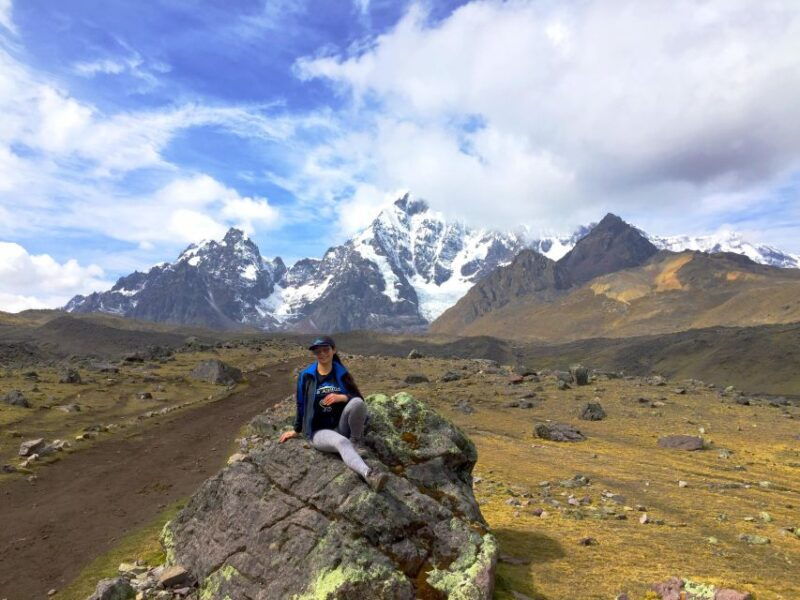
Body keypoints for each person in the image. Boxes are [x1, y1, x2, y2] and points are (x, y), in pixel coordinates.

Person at [279, 336, 388, 492]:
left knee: (357, 404)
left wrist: (341, 397)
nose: (322, 354)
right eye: (318, 351)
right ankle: (370, 475)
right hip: (318, 431)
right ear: (314, 354)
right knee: (342, 442)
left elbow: (358, 399)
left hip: (339, 425)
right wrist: (296, 430)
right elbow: (300, 404)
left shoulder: (341, 373)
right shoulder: (307, 376)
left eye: (326, 350)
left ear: (333, 350)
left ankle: (356, 441)